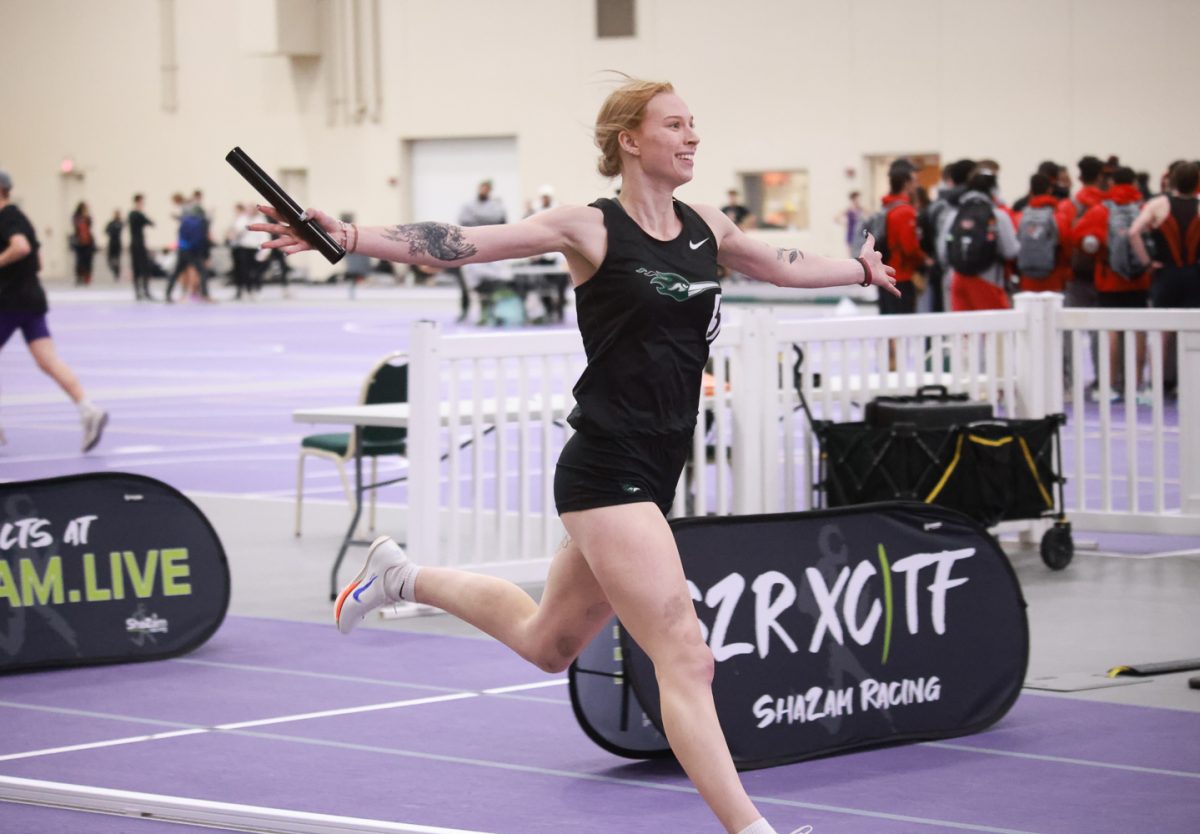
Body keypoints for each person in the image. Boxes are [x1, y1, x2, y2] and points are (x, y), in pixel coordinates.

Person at [255, 77, 896, 834]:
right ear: (630, 140)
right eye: (675, 126)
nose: (693, 138)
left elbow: (782, 263)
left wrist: (860, 270)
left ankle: (403, 575)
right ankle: (752, 831)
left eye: (696, 126)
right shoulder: (587, 227)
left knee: (549, 643)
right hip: (606, 469)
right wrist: (352, 237)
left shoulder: (705, 225)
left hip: (657, 469)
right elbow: (462, 246)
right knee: (685, 657)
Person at [0, 169, 108, 451]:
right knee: (48, 360)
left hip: (9, 300)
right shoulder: (23, 218)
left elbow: (21, 248)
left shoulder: (6, 218)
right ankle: (88, 409)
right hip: (31, 298)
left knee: (47, 360)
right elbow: (38, 258)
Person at [1072, 166, 1151, 399]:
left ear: (1111, 184)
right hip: (1139, 279)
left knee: (1111, 331)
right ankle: (1136, 385)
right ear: (1135, 184)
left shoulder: (1101, 211)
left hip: (1109, 279)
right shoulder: (1143, 209)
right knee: (1138, 330)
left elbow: (1078, 237)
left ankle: (1109, 385)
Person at [1129, 160, 1200, 397]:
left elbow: (1133, 232)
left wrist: (1147, 262)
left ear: (1172, 180)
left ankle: (1155, 385)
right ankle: (1190, 383)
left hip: (1166, 272)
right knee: (1194, 331)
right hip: (1193, 274)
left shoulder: (1159, 204)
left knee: (1161, 333)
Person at [938, 171, 1020, 311]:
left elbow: (942, 253)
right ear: (993, 190)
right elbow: (1011, 251)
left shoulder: (954, 215)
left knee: (963, 330)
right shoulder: (997, 216)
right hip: (988, 279)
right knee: (993, 329)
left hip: (957, 279)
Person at [454, 179, 508, 322]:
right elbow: (463, 223)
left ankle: (492, 312)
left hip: (491, 247)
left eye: (487, 188)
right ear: (479, 188)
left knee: (493, 282)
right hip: (471, 247)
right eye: (482, 188)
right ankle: (465, 311)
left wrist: (479, 220)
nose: (484, 190)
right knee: (466, 284)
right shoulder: (468, 206)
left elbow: (502, 223)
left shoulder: (497, 207)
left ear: (490, 190)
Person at [128, 193, 156, 301]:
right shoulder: (136, 214)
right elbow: (150, 222)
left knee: (140, 268)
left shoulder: (133, 214)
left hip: (137, 243)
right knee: (142, 268)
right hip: (137, 244)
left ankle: (141, 291)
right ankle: (142, 291)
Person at [70, 201, 96, 286]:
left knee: (88, 260)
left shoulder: (88, 217)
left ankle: (87, 277)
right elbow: (76, 227)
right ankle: (79, 277)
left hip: (88, 242)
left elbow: (90, 226)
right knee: (79, 260)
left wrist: (86, 216)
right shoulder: (76, 217)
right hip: (79, 242)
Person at [104, 209, 123, 281]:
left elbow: (119, 230)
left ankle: (117, 274)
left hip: (117, 243)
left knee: (117, 259)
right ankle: (114, 269)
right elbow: (106, 231)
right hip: (111, 242)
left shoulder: (120, 223)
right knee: (109, 259)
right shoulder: (111, 223)